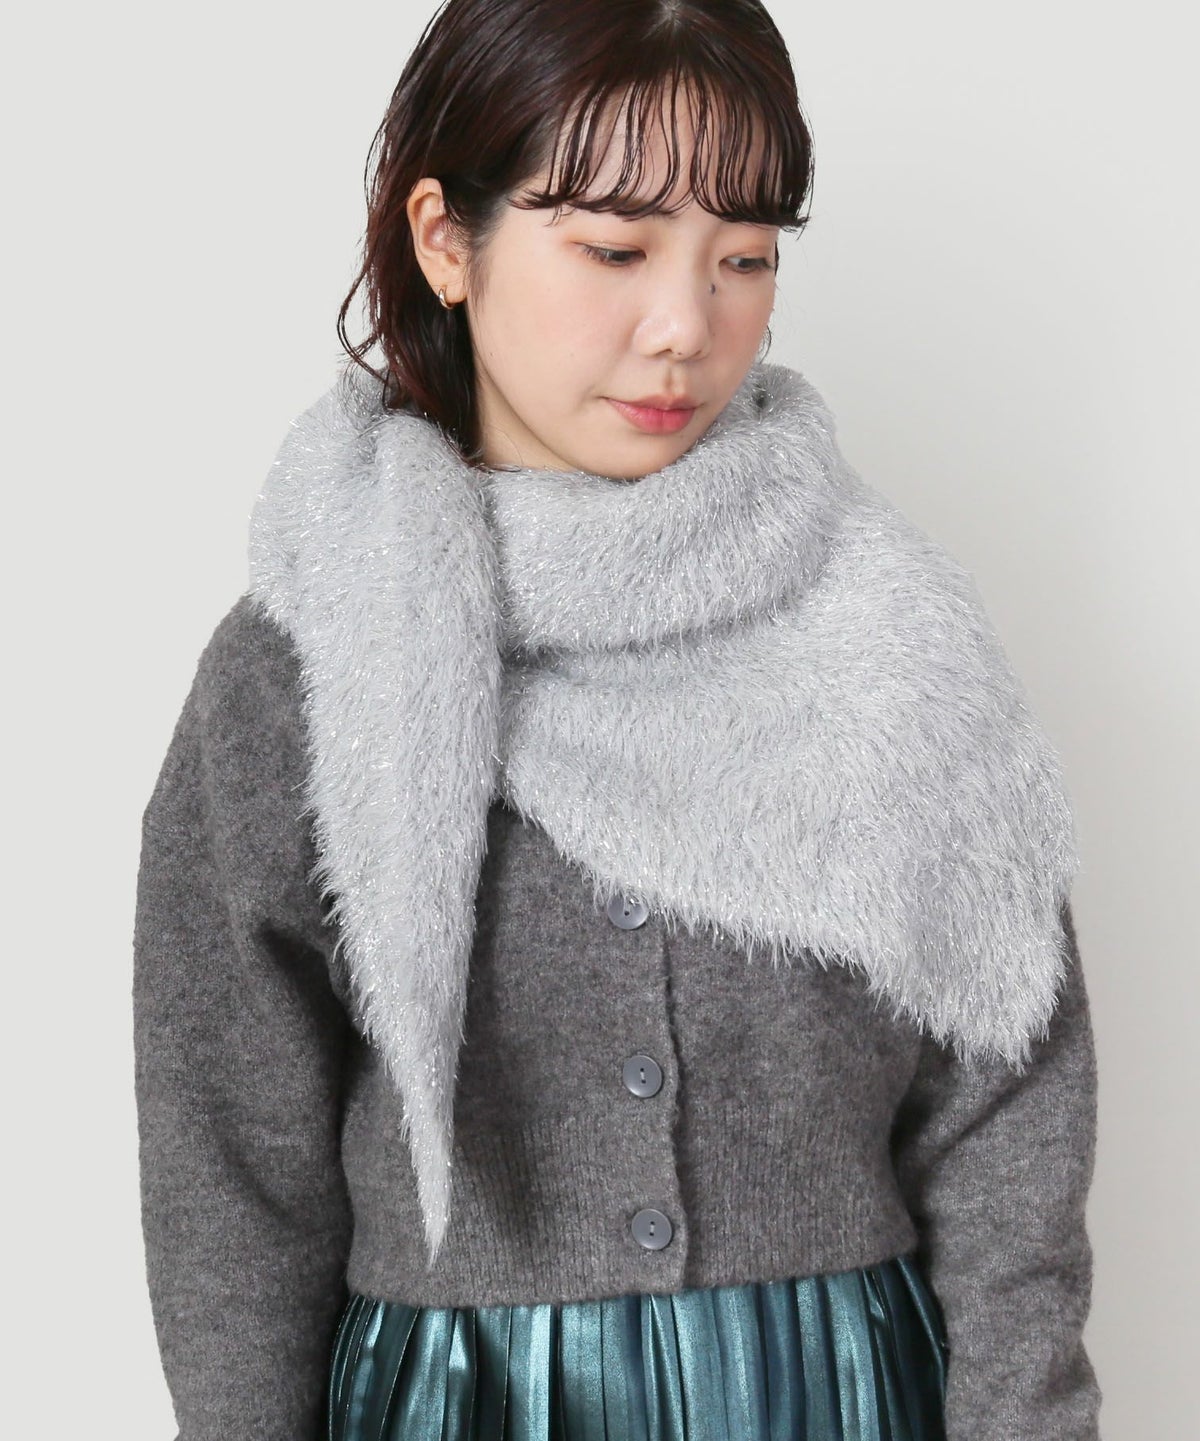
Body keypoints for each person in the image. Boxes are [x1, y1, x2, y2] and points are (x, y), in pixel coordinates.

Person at [132, 1, 1102, 1438]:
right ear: (445, 240)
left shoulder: (891, 632)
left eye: (745, 258)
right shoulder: (310, 655)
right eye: (614, 248)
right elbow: (230, 1160)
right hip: (457, 1408)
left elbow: (1008, 1099)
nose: (685, 328)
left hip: (836, 1397)